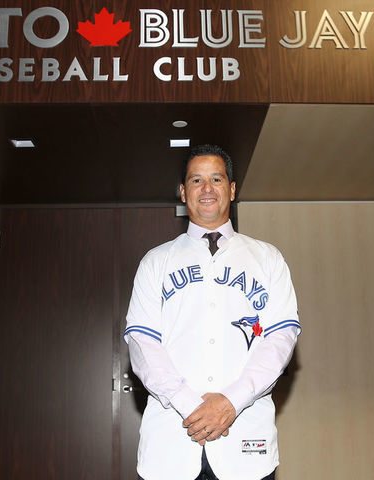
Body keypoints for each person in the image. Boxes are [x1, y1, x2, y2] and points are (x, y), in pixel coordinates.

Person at [124, 145, 301, 480]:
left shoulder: (268, 258)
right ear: (183, 191)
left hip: (246, 444)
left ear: (232, 189)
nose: (206, 189)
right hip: (171, 445)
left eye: (216, 179)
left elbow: (279, 340)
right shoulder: (155, 262)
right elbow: (143, 345)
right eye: (196, 180)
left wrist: (230, 403)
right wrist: (193, 406)